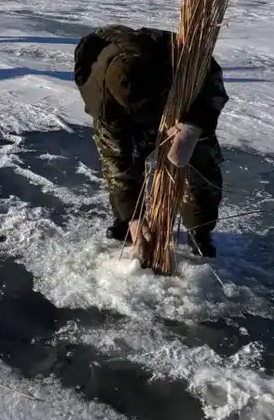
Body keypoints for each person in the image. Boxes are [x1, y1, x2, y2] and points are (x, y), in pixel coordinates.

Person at [73, 24, 228, 259]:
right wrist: (134, 218)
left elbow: (212, 84)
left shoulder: (179, 58)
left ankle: (200, 229)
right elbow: (117, 163)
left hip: (180, 107)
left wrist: (193, 126)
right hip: (125, 114)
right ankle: (126, 222)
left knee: (202, 161)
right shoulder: (104, 102)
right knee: (124, 165)